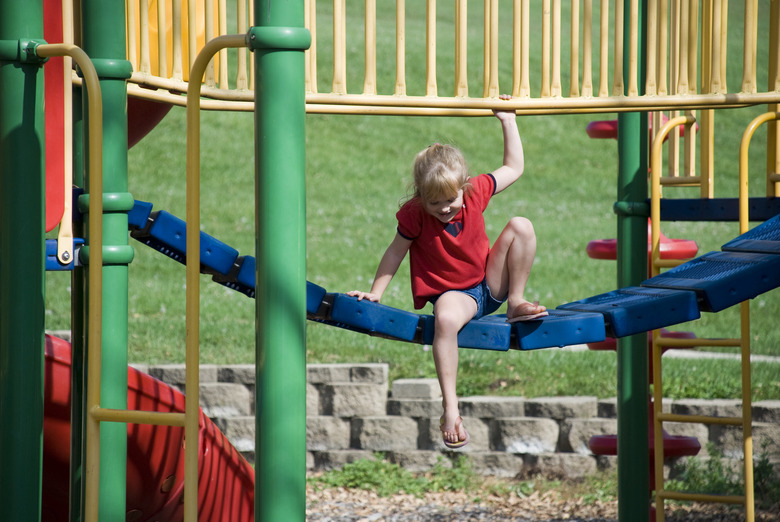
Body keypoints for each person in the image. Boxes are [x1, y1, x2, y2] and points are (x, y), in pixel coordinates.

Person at [348, 99, 546, 449]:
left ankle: (515, 301)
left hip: (490, 282)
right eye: (434, 202)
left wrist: (508, 120)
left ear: (462, 187)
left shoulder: (474, 192)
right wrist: (376, 292)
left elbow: (513, 167)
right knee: (445, 318)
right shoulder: (413, 214)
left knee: (521, 226)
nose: (444, 208)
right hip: (459, 296)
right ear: (420, 197)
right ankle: (451, 408)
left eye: (450, 199)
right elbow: (396, 251)